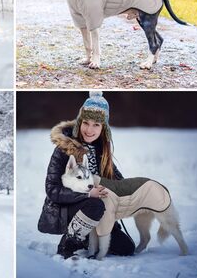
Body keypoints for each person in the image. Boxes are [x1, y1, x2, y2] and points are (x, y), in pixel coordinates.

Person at [38, 91, 135, 259]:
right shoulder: (64, 149)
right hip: (68, 209)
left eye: (96, 125)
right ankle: (69, 242)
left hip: (101, 211)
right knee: (94, 204)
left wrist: (133, 190)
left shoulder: (101, 150)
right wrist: (88, 193)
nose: (89, 130)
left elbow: (118, 181)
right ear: (79, 122)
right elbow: (52, 189)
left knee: (126, 248)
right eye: (86, 123)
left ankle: (90, 235)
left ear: (104, 127)